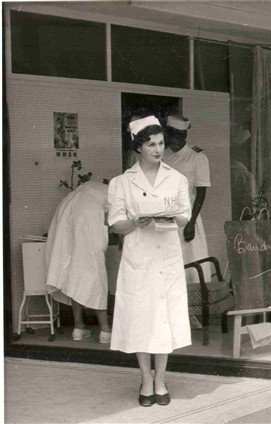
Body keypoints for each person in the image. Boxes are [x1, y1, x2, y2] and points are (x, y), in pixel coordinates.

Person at [108, 115, 192, 407]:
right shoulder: (121, 182)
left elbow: (184, 214)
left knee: (164, 318)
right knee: (142, 319)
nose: (158, 149)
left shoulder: (177, 178)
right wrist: (134, 222)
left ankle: (161, 379)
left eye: (161, 143)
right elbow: (116, 223)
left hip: (166, 256)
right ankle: (145, 379)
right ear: (138, 147)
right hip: (138, 257)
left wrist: (170, 217)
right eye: (151, 144)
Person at [45, 180, 112, 343]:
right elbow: (112, 223)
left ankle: (79, 328)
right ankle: (105, 331)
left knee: (75, 273)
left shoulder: (91, 188)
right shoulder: (117, 193)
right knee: (96, 273)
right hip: (87, 213)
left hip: (68, 207)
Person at [163, 115, 211, 280]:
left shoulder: (196, 157)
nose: (175, 139)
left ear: (185, 136)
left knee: (191, 263)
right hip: (164, 217)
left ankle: (194, 300)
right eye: (172, 134)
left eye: (180, 135)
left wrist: (191, 223)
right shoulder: (162, 155)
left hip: (187, 218)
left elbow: (201, 192)